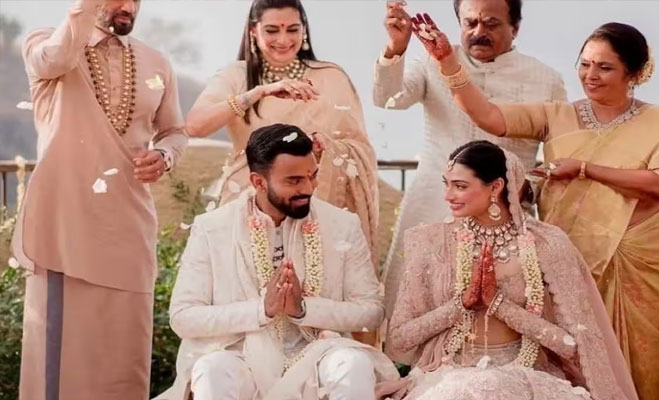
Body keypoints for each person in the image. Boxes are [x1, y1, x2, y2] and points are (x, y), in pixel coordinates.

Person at [411, 16, 659, 400]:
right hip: (570, 259)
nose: (590, 75)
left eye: (604, 67)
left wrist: (584, 169)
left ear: (633, 73)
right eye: (585, 64)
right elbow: (489, 116)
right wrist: (448, 62)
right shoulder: (557, 115)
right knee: (577, 362)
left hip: (643, 263)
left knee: (649, 365)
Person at [11, 0, 188, 399]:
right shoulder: (46, 44)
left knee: (124, 348)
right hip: (64, 225)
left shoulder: (157, 62)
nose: (127, 6)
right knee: (61, 351)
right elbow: (57, 58)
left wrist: (164, 156)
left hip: (129, 224)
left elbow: (175, 131)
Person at [376, 141, 639, 400]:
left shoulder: (545, 243)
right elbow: (399, 338)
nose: (448, 196)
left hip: (525, 376)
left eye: (460, 186)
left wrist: (499, 305)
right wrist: (461, 305)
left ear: (496, 187)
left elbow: (572, 345)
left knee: (491, 387)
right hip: (448, 376)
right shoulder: (430, 242)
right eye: (447, 184)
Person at [155, 124, 398, 400]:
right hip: (240, 354)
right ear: (258, 182)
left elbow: (371, 311)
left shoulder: (342, 225)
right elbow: (183, 316)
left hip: (317, 352)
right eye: (294, 181)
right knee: (213, 370)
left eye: (312, 176)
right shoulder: (213, 228)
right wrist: (263, 309)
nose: (308, 188)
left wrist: (304, 309)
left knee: (352, 364)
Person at [375, 0, 567, 321]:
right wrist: (396, 49)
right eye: (470, 23)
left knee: (495, 315)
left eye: (491, 24)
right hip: (433, 206)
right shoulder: (433, 61)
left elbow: (556, 159)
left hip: (504, 214)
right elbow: (387, 99)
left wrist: (526, 190)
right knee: (414, 306)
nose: (479, 32)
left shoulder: (546, 80)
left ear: (515, 27)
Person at [185, 0, 379, 274]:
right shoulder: (237, 75)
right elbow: (195, 126)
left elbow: (359, 147)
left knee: (314, 289)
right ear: (253, 31)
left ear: (304, 30)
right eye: (272, 30)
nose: (283, 40)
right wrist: (258, 93)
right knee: (247, 289)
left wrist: (327, 147)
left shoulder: (331, 78)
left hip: (314, 205)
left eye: (292, 29)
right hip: (251, 204)